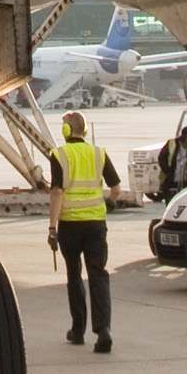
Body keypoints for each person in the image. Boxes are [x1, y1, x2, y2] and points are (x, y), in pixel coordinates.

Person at [47, 110, 117, 353]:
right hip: (96, 223)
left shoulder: (59, 155)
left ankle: (78, 330)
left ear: (66, 130)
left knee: (74, 274)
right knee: (98, 274)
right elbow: (116, 188)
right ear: (84, 130)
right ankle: (103, 331)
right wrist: (106, 204)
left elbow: (57, 192)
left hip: (70, 224)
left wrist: (52, 228)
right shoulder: (99, 153)